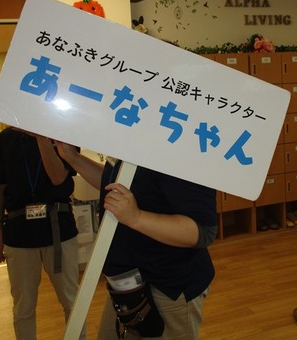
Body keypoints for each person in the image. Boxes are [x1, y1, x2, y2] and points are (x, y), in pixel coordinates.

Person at [57, 143, 217, 340]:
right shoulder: (133, 139)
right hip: (128, 282)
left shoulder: (179, 148)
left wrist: (136, 217)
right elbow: (117, 186)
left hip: (168, 286)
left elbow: (203, 231)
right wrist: (73, 158)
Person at [0, 127, 85, 340]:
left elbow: (58, 178)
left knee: (71, 301)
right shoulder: (6, 138)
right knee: (23, 306)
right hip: (18, 232)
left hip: (58, 230)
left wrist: (41, 137)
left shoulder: (63, 132)